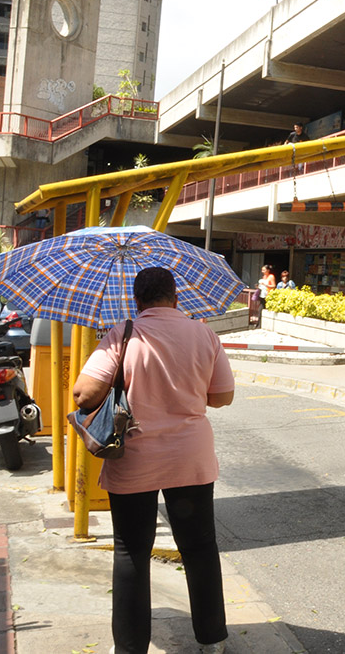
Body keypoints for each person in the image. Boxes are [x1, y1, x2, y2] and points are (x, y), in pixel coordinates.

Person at [71, 267, 233, 654]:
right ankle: (212, 641)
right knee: (199, 547)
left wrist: (120, 374)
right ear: (176, 298)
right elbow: (222, 396)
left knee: (131, 550)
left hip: (135, 458)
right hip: (189, 458)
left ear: (137, 300)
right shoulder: (204, 333)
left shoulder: (122, 334)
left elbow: (84, 395)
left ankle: (129, 648)